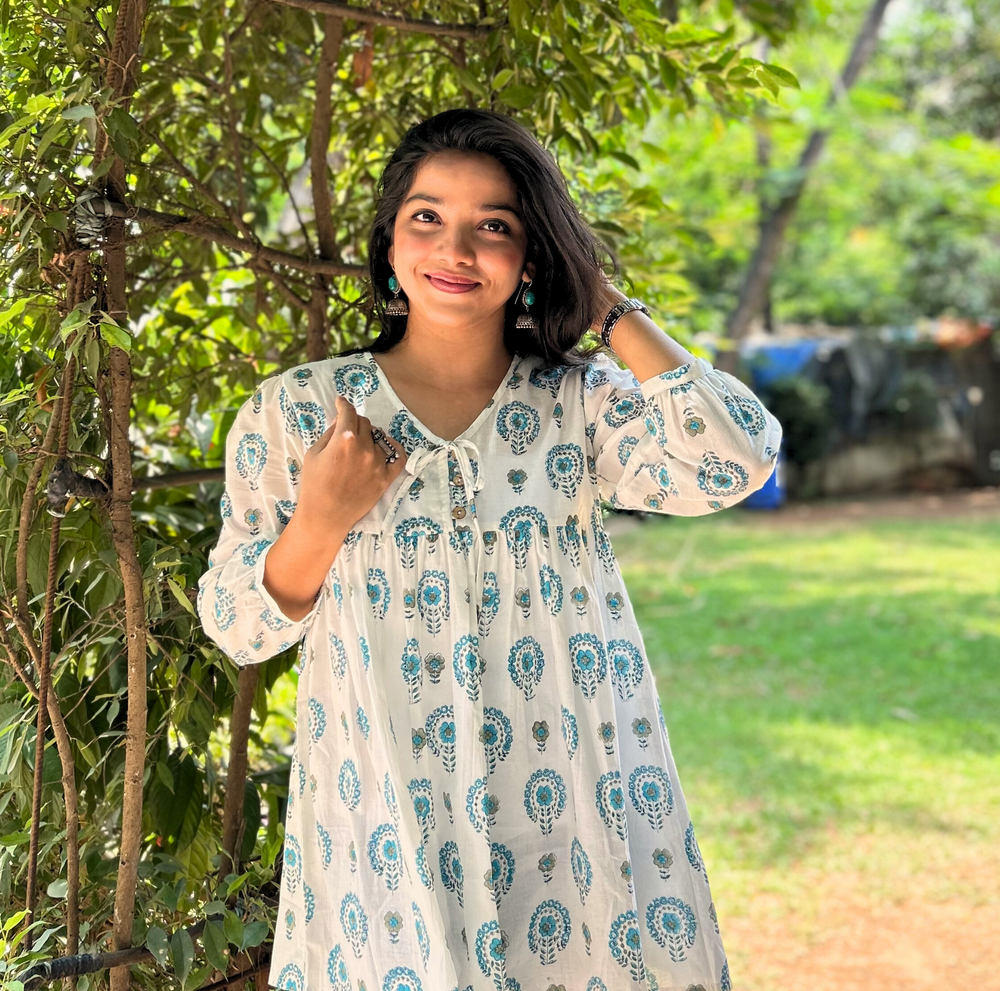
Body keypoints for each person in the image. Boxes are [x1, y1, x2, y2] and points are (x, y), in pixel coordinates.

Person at [197, 108, 781, 991]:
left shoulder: (581, 407)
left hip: (575, 812)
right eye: (426, 217)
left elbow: (735, 457)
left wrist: (606, 304)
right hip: (387, 820)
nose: (456, 249)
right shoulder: (301, 412)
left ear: (533, 256)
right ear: (389, 241)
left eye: (494, 226)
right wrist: (320, 519)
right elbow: (238, 628)